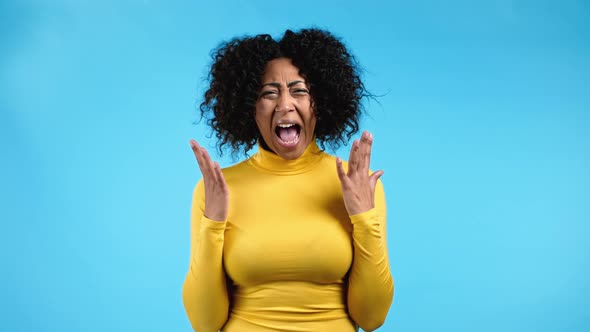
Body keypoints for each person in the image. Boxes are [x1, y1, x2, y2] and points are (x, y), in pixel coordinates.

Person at [182, 28, 394, 332]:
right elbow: (204, 322)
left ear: (319, 103)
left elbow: (371, 318)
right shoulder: (215, 190)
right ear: (249, 108)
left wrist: (363, 218)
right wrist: (212, 224)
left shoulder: (355, 183)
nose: (284, 105)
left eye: (299, 90)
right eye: (269, 93)